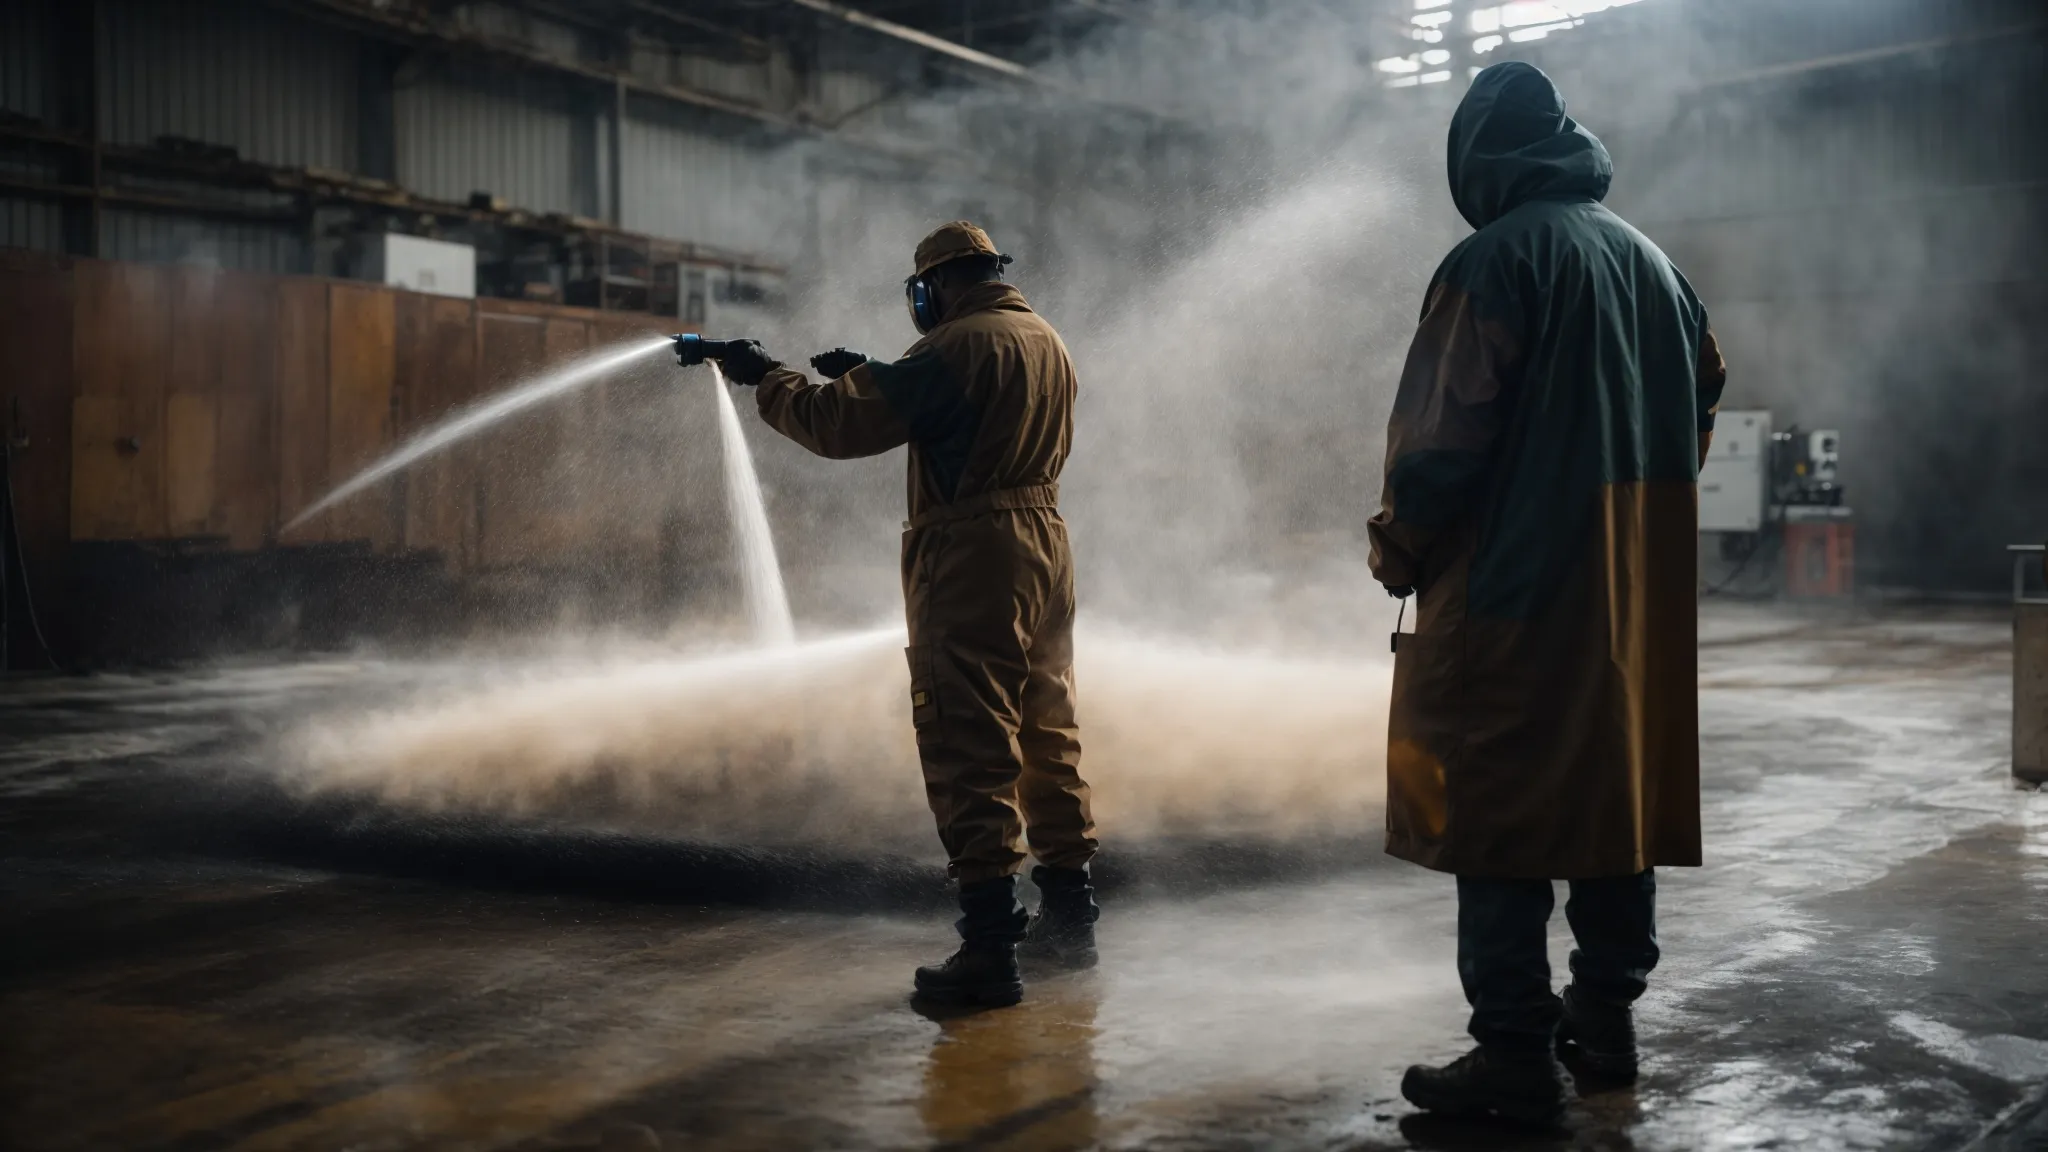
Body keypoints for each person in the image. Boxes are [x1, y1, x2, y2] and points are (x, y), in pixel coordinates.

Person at [1368, 62, 1727, 1126]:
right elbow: (1703, 390)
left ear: (1476, 159)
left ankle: (1512, 1054)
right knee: (1613, 808)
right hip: (1630, 594)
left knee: (1499, 814)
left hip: (1515, 591)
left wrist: (1398, 546)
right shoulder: (1655, 267)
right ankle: (1604, 1024)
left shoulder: (1491, 260)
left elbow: (1439, 440)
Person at [703, 222, 1100, 1008]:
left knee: (967, 736)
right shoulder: (1043, 338)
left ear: (938, 284)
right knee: (1044, 731)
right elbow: (968, 414)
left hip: (973, 554)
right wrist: (874, 374)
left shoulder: (950, 349)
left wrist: (766, 377)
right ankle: (1071, 918)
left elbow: (834, 428)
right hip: (1045, 548)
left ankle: (990, 948)